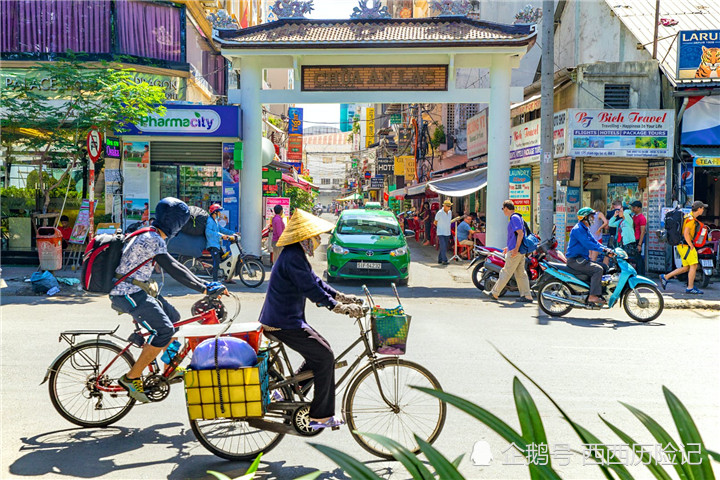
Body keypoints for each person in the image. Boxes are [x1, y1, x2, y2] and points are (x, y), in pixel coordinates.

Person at [110, 197, 225, 403]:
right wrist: (203, 287)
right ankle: (131, 378)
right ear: (175, 223)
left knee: (174, 317)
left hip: (137, 289)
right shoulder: (153, 239)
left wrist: (204, 285)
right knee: (164, 330)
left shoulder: (149, 232)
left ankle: (170, 367)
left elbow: (176, 266)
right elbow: (174, 269)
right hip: (127, 293)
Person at [259, 209, 365, 430]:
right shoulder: (292, 257)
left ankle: (286, 391)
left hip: (287, 319)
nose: (318, 241)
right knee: (325, 357)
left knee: (321, 350)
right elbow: (311, 289)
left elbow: (317, 282)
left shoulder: (295, 254)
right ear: (305, 238)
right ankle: (320, 416)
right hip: (283, 323)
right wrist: (339, 308)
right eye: (315, 237)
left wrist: (342, 297)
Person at [566, 208, 614, 305]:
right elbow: (587, 244)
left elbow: (594, 242)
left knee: (605, 267)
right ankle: (592, 296)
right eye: (591, 217)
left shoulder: (584, 228)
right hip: (576, 260)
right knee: (598, 269)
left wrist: (607, 249)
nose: (593, 219)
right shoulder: (578, 229)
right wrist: (603, 250)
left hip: (582, 259)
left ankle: (599, 292)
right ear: (584, 218)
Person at [489, 200, 533, 303]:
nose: (503, 211)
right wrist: (509, 247)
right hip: (518, 250)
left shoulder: (514, 218)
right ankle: (527, 296)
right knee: (521, 273)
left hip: (516, 251)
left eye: (503, 209)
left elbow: (520, 234)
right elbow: (516, 236)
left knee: (506, 272)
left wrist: (515, 249)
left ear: (505, 208)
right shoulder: (518, 217)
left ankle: (495, 292)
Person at [660, 201, 707, 295]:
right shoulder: (690, 220)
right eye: (703, 208)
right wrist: (691, 245)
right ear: (699, 209)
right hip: (686, 246)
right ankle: (690, 288)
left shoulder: (687, 216)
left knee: (686, 267)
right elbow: (686, 233)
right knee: (693, 265)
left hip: (682, 246)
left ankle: (665, 277)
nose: (703, 210)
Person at [205, 203, 235, 282]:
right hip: (212, 245)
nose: (220, 213)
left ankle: (227, 278)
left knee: (224, 259)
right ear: (215, 212)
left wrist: (233, 233)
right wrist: (221, 236)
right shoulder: (210, 221)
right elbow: (208, 232)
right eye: (219, 212)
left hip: (217, 244)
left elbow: (221, 229)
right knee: (217, 262)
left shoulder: (215, 221)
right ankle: (215, 281)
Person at [434, 199, 453, 265]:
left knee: (444, 246)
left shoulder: (450, 212)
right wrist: (440, 227)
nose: (449, 207)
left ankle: (440, 259)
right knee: (443, 246)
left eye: (450, 206)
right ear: (444, 206)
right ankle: (444, 260)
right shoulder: (439, 213)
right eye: (447, 206)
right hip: (441, 232)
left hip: (447, 232)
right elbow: (435, 222)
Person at [630, 200, 647, 275]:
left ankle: (641, 274)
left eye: (634, 207)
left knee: (639, 258)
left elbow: (642, 231)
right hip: (633, 239)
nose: (633, 209)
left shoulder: (642, 218)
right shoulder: (634, 216)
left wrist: (639, 244)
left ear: (639, 208)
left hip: (638, 240)